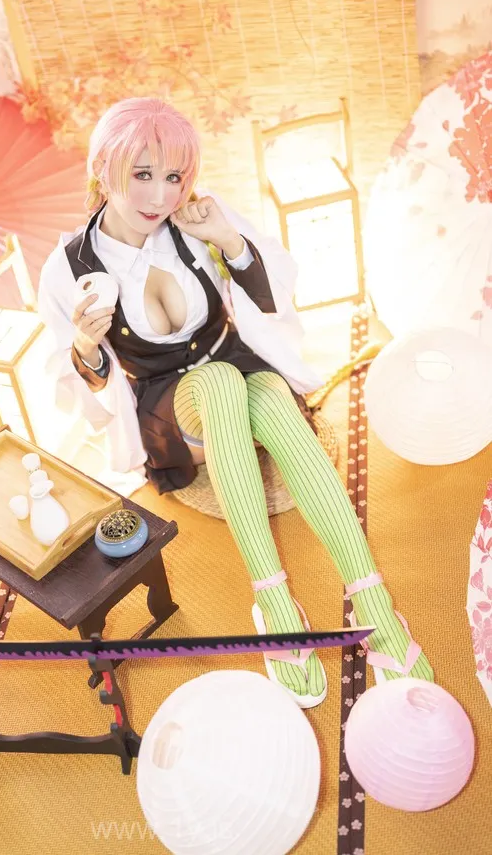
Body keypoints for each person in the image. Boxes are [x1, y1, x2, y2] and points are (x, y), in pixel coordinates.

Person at [38, 96, 433, 707]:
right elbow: (76, 388)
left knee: (269, 390)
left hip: (237, 360)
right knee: (221, 383)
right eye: (142, 174)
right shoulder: (68, 268)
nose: (161, 195)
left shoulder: (196, 219)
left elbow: (274, 292)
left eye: (174, 176)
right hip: (167, 404)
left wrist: (229, 240)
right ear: (104, 169)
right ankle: (274, 600)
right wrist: (87, 347)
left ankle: (370, 594)